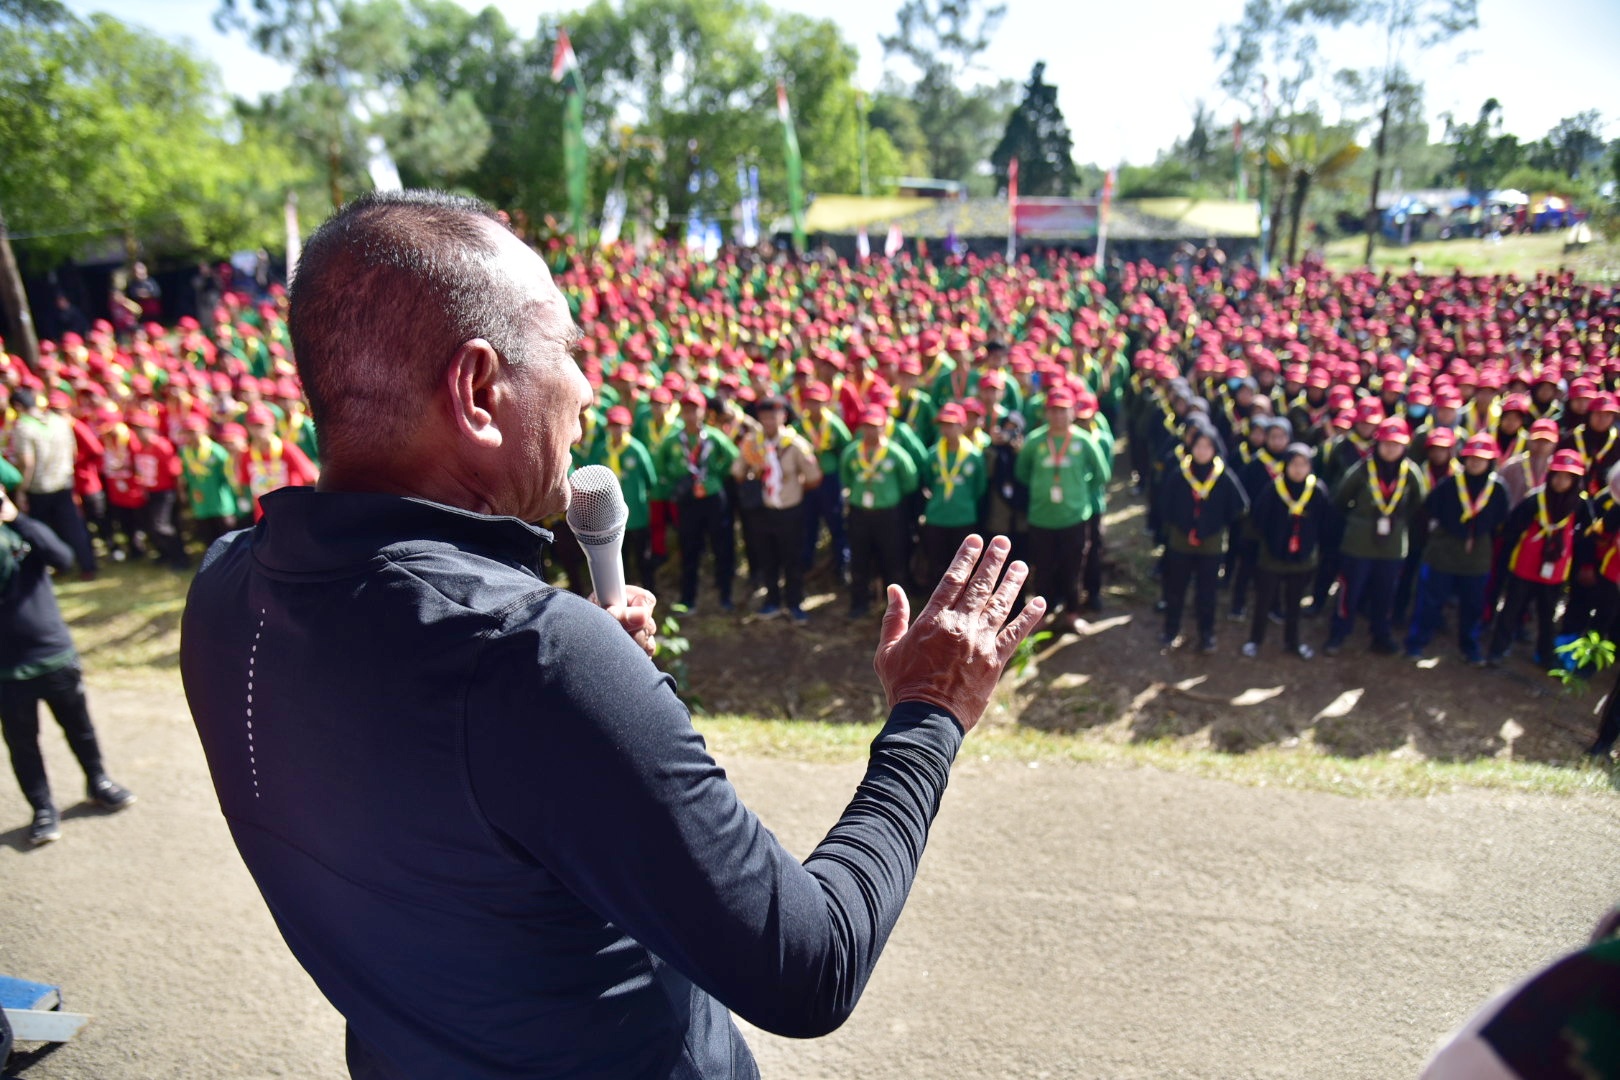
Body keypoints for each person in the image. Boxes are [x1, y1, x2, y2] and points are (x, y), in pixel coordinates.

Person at [180, 189, 1044, 1080]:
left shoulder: (223, 590)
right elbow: (808, 969)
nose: (588, 387)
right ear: (479, 390)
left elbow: (421, 797)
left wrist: (572, 714)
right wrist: (929, 714)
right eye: (566, 350)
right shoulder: (530, 658)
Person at [0, 487, 134, 846]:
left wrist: (17, 518)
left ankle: (98, 781)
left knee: (80, 727)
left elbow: (63, 557)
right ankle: (43, 808)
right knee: (23, 743)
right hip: (7, 669)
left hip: (53, 653)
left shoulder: (21, 530)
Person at [1325, 418, 1428, 657]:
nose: (1391, 449)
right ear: (1377, 443)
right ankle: (1339, 632)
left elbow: (1418, 503)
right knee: (1349, 591)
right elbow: (1341, 499)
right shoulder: (1362, 469)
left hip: (1392, 545)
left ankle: (1380, 635)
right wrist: (1360, 521)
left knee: (1385, 593)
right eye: (1386, 443)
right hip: (1358, 543)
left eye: (1396, 444)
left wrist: (1398, 520)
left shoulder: (1410, 472)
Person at [1405, 434, 1511, 665]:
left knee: (1473, 605)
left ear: (1490, 461)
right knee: (1430, 601)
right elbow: (1427, 511)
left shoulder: (1498, 489)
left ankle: (1469, 647)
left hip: (1477, 557)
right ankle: (1417, 642)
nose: (1475, 463)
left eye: (1481, 459)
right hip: (1443, 553)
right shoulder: (1449, 484)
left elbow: (1501, 522)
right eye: (1471, 458)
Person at [1486, 449, 1592, 668]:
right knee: (1510, 610)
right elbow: (1511, 530)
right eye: (1557, 475)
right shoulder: (1535, 500)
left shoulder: (1580, 506)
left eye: (1567, 477)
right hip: (1523, 568)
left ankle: (1545, 655)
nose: (1561, 481)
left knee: (1547, 616)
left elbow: (1587, 538)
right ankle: (1497, 650)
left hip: (1555, 573)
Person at [1014, 386, 1104, 632]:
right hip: (1041, 518)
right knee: (1042, 568)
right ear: (1046, 413)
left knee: (1073, 567)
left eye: (1063, 410)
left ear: (1073, 412)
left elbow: (1100, 474)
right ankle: (1042, 615)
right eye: (1053, 411)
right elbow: (1022, 472)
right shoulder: (1035, 441)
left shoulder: (1083, 441)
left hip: (1074, 517)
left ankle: (1073, 613)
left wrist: (1079, 493)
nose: (1058, 416)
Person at [1155, 423, 1248, 652]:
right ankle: (1171, 630)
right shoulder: (1180, 473)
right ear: (1191, 447)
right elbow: (1164, 504)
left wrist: (1216, 524)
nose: (1202, 451)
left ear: (1215, 448)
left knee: (1207, 593)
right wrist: (1180, 525)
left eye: (1208, 446)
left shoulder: (1223, 476)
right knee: (1176, 589)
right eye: (1198, 445)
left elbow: (1241, 506)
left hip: (1211, 546)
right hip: (1181, 542)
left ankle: (1206, 635)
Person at [730, 395, 820, 621]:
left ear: (783, 417)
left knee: (792, 558)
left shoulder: (795, 444)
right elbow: (737, 471)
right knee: (767, 557)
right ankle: (772, 601)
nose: (769, 422)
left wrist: (793, 492)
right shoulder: (753, 443)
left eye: (773, 417)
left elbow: (814, 477)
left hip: (790, 510)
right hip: (763, 510)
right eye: (764, 417)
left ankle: (795, 602)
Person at [1244, 443, 1332, 659]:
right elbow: (1259, 520)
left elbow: (1326, 523)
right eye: (1294, 464)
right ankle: (1255, 640)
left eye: (1303, 464)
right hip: (1272, 557)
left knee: (1294, 604)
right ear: (1286, 465)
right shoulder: (1274, 488)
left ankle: (1293, 642)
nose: (1298, 469)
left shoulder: (1317, 490)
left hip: (1302, 558)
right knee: (1264, 601)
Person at [656, 389, 740, 613]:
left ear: (704, 412)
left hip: (713, 499)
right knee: (689, 548)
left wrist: (715, 477)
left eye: (695, 410)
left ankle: (725, 595)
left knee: (721, 546)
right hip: (688, 501)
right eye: (686, 410)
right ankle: (688, 598)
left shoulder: (714, 436)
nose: (691, 415)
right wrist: (676, 478)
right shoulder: (674, 440)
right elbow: (661, 465)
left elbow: (733, 458)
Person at [8, 388, 97, 577]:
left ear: (17, 406)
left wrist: (22, 489)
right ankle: (87, 565)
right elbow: (73, 450)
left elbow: (27, 462)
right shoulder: (59, 421)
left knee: (42, 530)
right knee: (73, 526)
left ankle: (52, 566)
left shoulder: (23, 427)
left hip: (39, 487)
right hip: (63, 482)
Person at [840, 404, 918, 618]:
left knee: (893, 559)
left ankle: (896, 608)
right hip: (860, 513)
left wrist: (889, 496)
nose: (870, 431)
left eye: (874, 426)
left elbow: (909, 481)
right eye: (866, 426)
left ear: (883, 427)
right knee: (859, 559)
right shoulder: (853, 452)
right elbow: (846, 476)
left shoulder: (895, 453)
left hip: (888, 515)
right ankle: (859, 603)